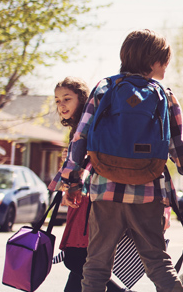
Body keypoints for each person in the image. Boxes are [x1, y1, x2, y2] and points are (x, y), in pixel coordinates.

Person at [54, 29, 183, 292]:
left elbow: (80, 138)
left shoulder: (104, 88)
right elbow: (180, 147)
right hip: (148, 190)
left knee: (95, 267)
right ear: (152, 61)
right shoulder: (165, 95)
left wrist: (71, 182)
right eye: (164, 60)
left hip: (104, 189)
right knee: (159, 264)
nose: (166, 65)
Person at [50, 77, 127, 292]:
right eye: (57, 101)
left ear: (82, 99)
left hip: (91, 199)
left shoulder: (91, 125)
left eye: (67, 98)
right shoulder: (76, 128)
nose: (61, 105)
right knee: (79, 262)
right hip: (82, 200)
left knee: (78, 259)